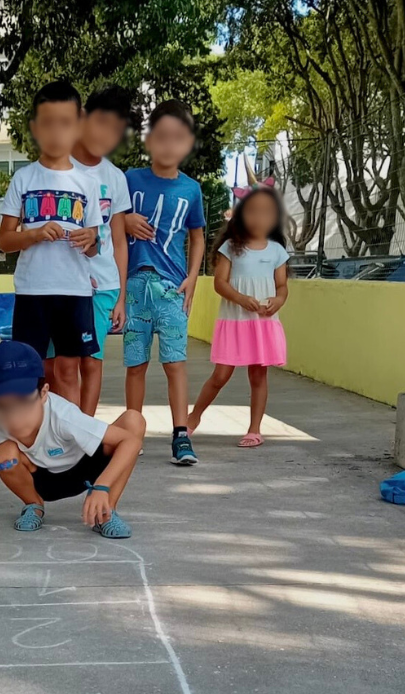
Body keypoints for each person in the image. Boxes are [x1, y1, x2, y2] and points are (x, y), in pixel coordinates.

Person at [0, 341, 145, 543]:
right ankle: (33, 505)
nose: (13, 415)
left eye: (22, 403)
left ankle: (105, 513)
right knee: (4, 452)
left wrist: (102, 487)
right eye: (1, 406)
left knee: (133, 421)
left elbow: (130, 442)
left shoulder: (64, 415)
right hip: (43, 481)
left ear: (44, 393)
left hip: (87, 469)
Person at [0, 81, 103, 409]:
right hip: (32, 291)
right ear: (35, 128)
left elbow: (95, 244)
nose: (57, 132)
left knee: (68, 369)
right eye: (48, 123)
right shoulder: (24, 179)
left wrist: (90, 241)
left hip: (74, 291)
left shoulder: (87, 183)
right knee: (33, 370)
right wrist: (34, 233)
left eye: (66, 122)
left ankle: (69, 444)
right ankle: (35, 439)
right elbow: (4, 240)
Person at [122, 101, 206, 466]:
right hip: (134, 287)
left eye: (178, 138)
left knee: (175, 364)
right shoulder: (130, 179)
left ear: (188, 143)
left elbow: (199, 235)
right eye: (161, 136)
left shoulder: (191, 190)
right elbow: (112, 219)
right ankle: (132, 431)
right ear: (148, 140)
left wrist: (193, 278)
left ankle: (181, 436)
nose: (169, 145)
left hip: (172, 290)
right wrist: (125, 222)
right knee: (135, 364)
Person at [188, 181, 289, 448]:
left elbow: (282, 287)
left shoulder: (277, 251)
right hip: (234, 322)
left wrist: (277, 301)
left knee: (258, 376)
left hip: (262, 324)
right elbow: (220, 283)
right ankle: (193, 418)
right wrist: (241, 299)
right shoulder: (231, 247)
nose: (260, 218)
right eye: (253, 211)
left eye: (267, 212)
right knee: (220, 375)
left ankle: (254, 429)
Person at [64, 85, 135, 416]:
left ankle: (84, 435)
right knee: (59, 366)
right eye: (102, 122)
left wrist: (120, 296)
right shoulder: (57, 166)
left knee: (91, 362)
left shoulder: (115, 177)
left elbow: (119, 240)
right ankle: (62, 431)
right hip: (61, 284)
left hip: (102, 287)